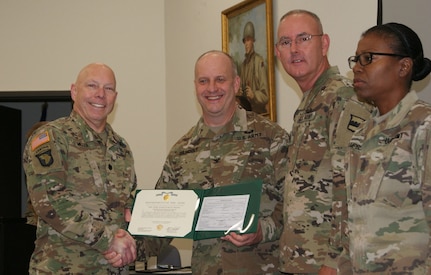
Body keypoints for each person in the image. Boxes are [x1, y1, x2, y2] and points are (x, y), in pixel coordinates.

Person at [141, 50, 289, 274]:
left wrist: (263, 230)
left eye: (220, 79)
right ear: (195, 87)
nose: (212, 88)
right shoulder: (182, 151)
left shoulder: (271, 137)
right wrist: (128, 244)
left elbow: (296, 203)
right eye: (204, 81)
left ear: (236, 84)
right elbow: (164, 221)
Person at [274, 10, 372, 274]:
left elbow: (356, 188)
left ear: (324, 43)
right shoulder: (310, 104)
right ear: (277, 52)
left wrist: (336, 261)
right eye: (285, 42)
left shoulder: (342, 98)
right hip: (301, 262)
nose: (294, 49)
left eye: (303, 38)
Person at [23, 63, 137, 274]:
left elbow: (128, 207)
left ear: (115, 96)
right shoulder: (52, 138)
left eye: (108, 88)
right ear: (74, 91)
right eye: (92, 85)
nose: (100, 94)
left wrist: (131, 243)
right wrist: (109, 241)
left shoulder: (121, 148)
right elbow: (50, 201)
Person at [339, 22, 431, 274]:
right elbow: (354, 223)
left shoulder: (423, 125)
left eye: (368, 58)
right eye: (356, 59)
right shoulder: (360, 136)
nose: (357, 67)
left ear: (403, 66)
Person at [239, 21, 270, 114]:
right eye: (245, 41)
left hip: (259, 114)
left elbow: (265, 95)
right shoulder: (243, 65)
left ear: (253, 41)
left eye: (248, 40)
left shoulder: (259, 61)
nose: (246, 44)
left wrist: (254, 95)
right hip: (246, 115)